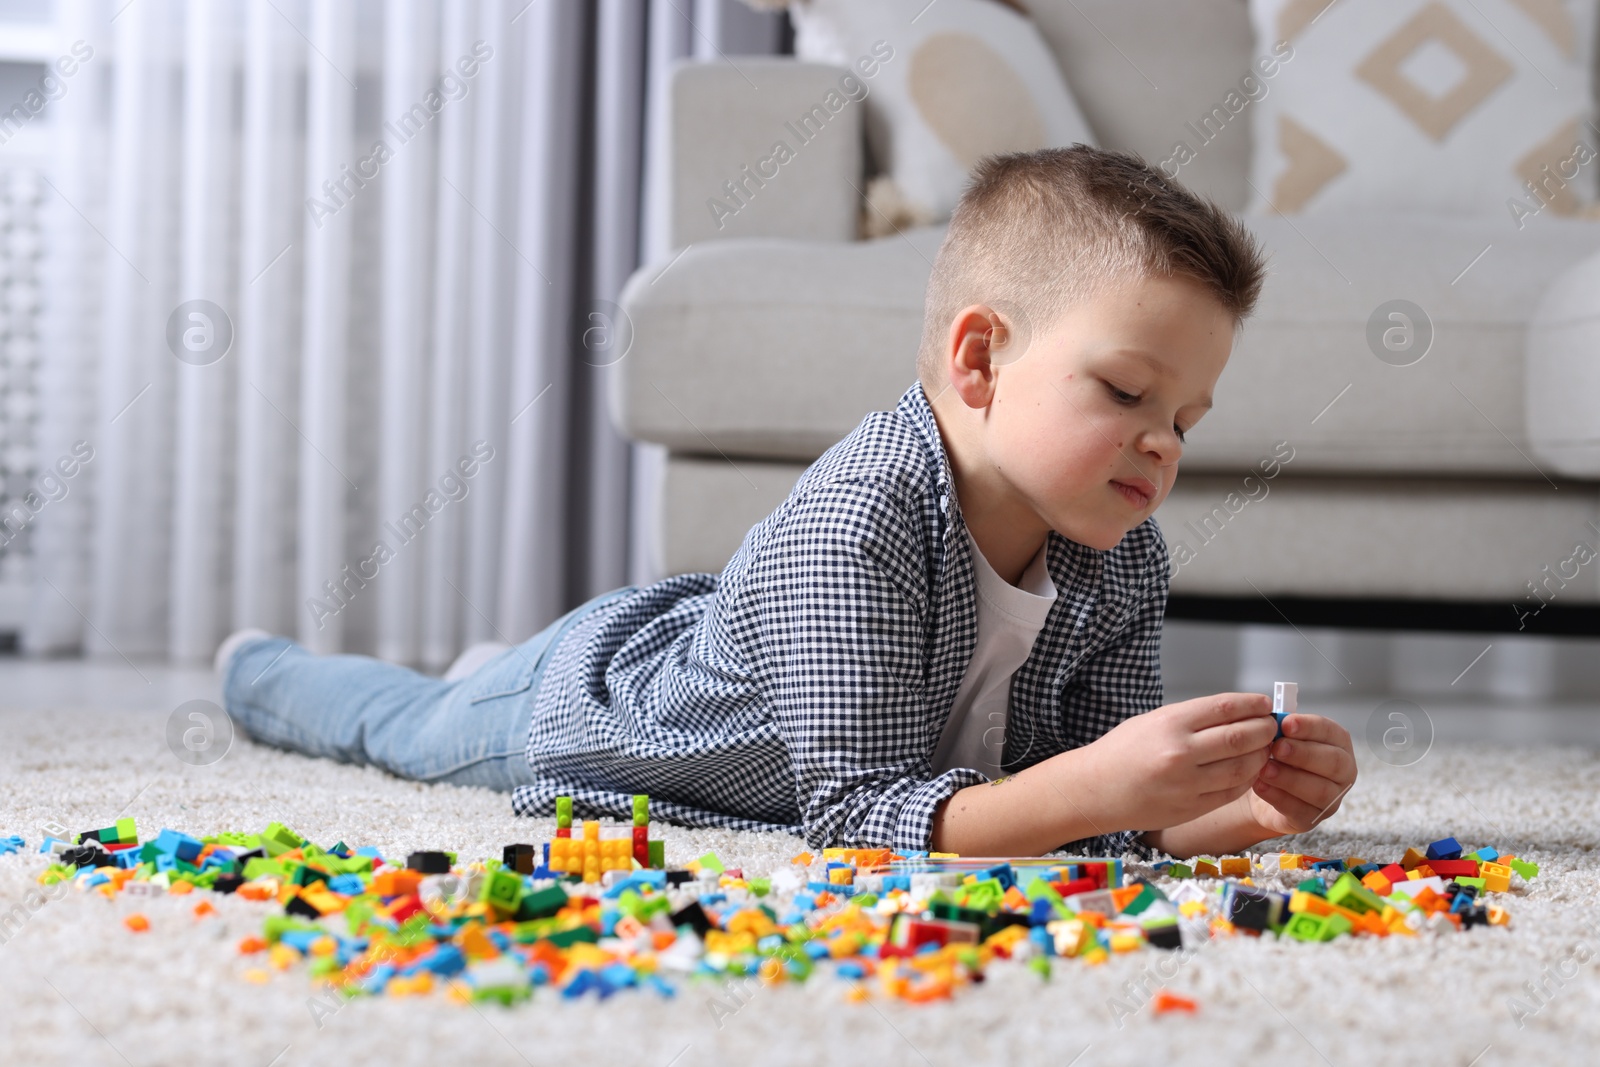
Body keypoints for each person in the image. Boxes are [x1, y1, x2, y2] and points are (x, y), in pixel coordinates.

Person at [219, 145, 1357, 859]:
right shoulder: (859, 520)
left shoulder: (1123, 556)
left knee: (450, 698)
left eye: (1186, 422)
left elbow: (1089, 816)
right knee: (406, 729)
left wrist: (1246, 809)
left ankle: (477, 666)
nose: (1160, 443)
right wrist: (1101, 781)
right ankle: (260, 667)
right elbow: (859, 817)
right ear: (978, 363)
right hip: (599, 708)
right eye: (1124, 392)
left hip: (747, 661)